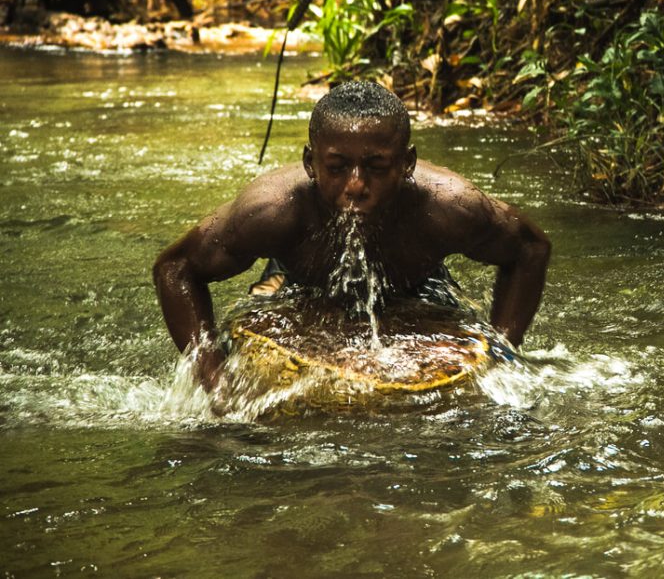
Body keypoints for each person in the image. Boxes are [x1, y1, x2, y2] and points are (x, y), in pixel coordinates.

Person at [153, 81, 551, 389]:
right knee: (266, 301)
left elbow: (530, 249)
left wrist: (501, 356)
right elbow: (176, 268)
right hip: (294, 281)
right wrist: (213, 377)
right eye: (337, 167)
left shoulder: (449, 208)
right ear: (311, 163)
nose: (356, 185)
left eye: (377, 167)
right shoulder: (273, 211)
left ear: (407, 163)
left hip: (421, 286)